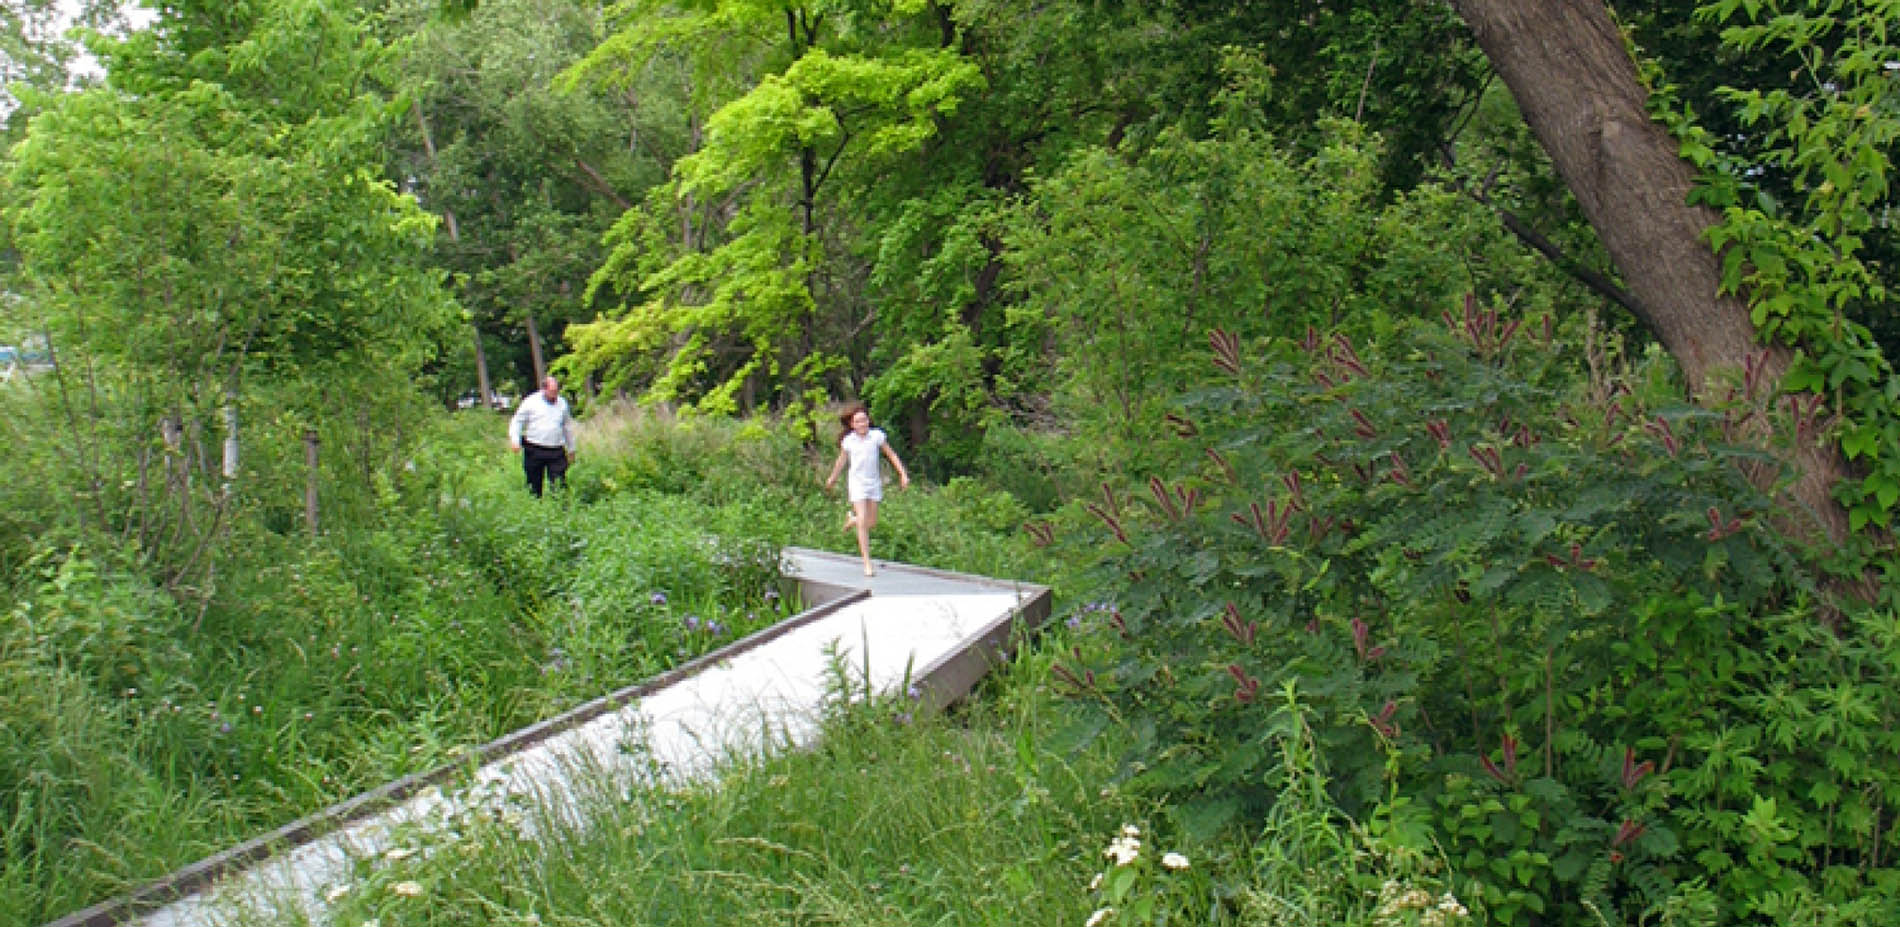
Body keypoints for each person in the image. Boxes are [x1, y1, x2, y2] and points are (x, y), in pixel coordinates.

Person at [824, 403, 910, 576]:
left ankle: (852, 520)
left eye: (864, 420)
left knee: (871, 522)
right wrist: (832, 478)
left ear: (868, 421)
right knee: (864, 520)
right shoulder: (849, 441)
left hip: (873, 483)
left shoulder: (876, 437)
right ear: (852, 425)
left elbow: (891, 454)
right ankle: (867, 563)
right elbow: (841, 462)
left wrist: (902, 474)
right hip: (857, 484)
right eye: (858, 422)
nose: (862, 424)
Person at [508, 376, 576, 496]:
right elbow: (517, 421)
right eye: (551, 392)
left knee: (559, 484)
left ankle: (561, 509)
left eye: (556, 391)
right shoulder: (531, 402)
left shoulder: (562, 403)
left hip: (556, 450)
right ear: (543, 390)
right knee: (534, 485)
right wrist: (515, 440)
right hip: (534, 449)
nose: (554, 395)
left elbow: (567, 427)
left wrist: (571, 449)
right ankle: (536, 508)